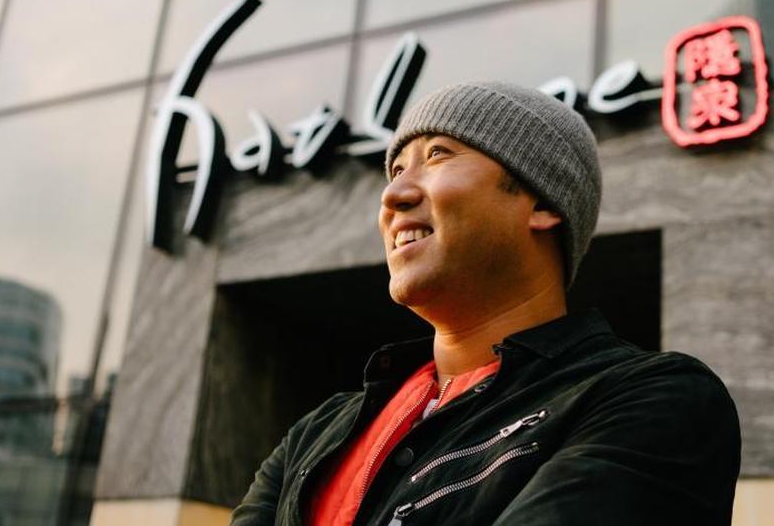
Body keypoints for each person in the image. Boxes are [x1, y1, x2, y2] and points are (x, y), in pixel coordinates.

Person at [229, 81, 741, 526]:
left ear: (541, 201)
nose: (394, 195)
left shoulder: (649, 398)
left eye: (437, 155)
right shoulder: (318, 433)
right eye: (395, 170)